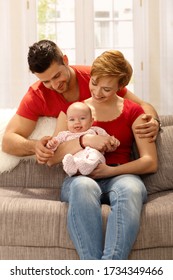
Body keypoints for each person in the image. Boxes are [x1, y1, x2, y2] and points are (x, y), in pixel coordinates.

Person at [54, 50, 158, 259]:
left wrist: (110, 170)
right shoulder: (73, 111)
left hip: (120, 175)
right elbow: (54, 155)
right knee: (83, 186)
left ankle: (110, 268)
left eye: (107, 88)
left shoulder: (133, 111)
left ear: (120, 87)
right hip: (81, 176)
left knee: (131, 188)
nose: (97, 92)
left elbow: (150, 162)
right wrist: (84, 141)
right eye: (94, 83)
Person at [2, 40, 160, 165]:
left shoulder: (94, 80)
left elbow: (143, 105)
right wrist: (35, 146)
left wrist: (154, 120)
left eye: (57, 76)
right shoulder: (37, 95)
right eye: (46, 81)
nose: (54, 85)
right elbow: (8, 140)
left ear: (65, 60)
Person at [46, 102, 120, 176]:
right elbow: (54, 146)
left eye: (82, 118)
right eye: (72, 120)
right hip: (76, 160)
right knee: (69, 158)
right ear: (67, 122)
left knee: (95, 155)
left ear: (91, 121)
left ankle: (86, 165)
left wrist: (113, 142)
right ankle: (72, 168)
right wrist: (51, 144)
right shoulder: (64, 135)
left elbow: (107, 141)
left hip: (95, 161)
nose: (77, 122)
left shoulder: (96, 130)